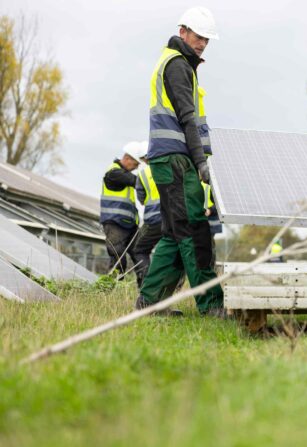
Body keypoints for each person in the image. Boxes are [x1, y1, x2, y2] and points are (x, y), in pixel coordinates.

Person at [135, 6, 226, 317]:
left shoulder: (178, 64)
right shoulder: (177, 65)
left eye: (207, 40)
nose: (202, 44)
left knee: (176, 233)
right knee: (195, 230)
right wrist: (201, 163)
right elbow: (187, 118)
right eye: (199, 37)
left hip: (168, 159)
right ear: (183, 31)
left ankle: (150, 304)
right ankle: (211, 304)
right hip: (176, 159)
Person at [100, 142, 142, 276]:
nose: (136, 168)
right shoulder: (114, 173)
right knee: (118, 259)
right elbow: (136, 181)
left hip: (130, 225)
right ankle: (110, 289)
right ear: (127, 158)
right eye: (135, 164)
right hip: (115, 224)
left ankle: (146, 291)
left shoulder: (124, 174)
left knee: (141, 255)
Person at [133, 141, 162, 287]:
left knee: (140, 250)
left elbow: (141, 199)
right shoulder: (171, 166)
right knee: (173, 251)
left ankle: (146, 286)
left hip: (154, 219)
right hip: (175, 218)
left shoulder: (143, 174)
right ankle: (172, 288)